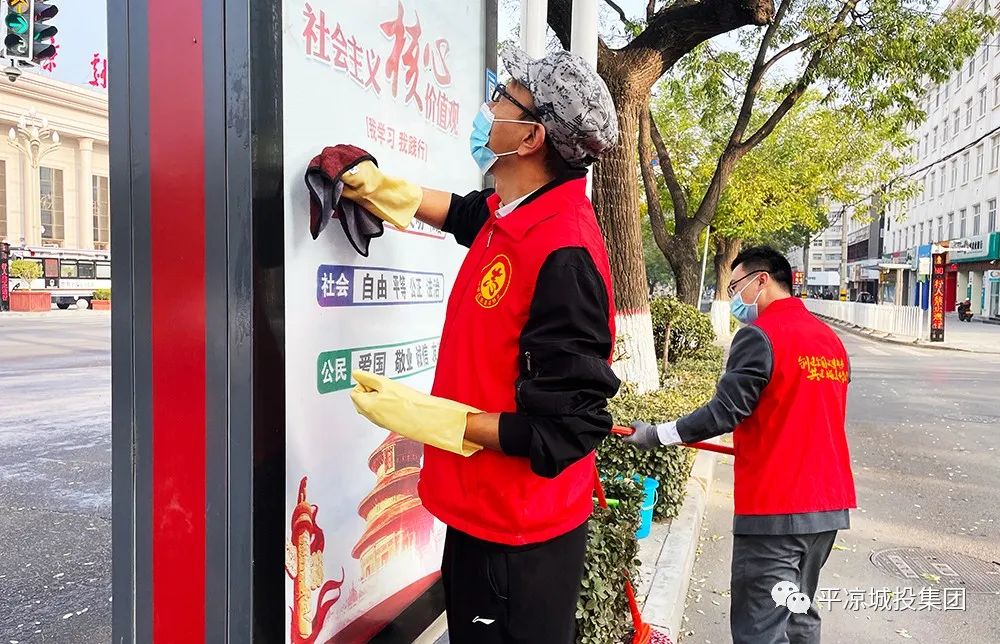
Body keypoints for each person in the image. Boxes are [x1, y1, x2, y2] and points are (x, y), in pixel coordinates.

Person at [346, 46, 621, 644]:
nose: (489, 105)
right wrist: (382, 189)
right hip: (485, 515)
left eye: (504, 97)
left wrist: (439, 421)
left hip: (518, 537)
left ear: (530, 137)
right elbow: (467, 214)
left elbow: (568, 427)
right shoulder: (518, 212)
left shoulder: (564, 253)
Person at [625, 246, 857, 644]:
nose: (734, 297)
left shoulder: (759, 336)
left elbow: (724, 412)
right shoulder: (829, 340)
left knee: (760, 628)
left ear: (761, 279)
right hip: (828, 507)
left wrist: (656, 434)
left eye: (735, 287)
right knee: (798, 616)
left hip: (777, 507)